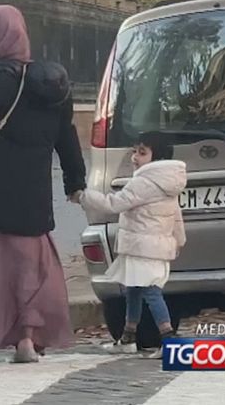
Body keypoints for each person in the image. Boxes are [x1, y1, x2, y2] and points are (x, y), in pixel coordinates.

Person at [0, 5, 87, 365]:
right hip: (33, 199)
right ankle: (27, 339)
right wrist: (76, 182)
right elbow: (67, 137)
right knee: (28, 269)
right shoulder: (52, 86)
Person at [77, 132, 186, 358]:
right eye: (135, 151)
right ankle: (129, 336)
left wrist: (84, 197)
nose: (135, 157)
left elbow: (115, 204)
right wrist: (178, 240)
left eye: (142, 152)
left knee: (150, 291)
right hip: (152, 246)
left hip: (141, 246)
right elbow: (176, 216)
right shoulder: (168, 184)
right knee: (133, 289)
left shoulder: (143, 182)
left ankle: (168, 338)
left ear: (157, 159)